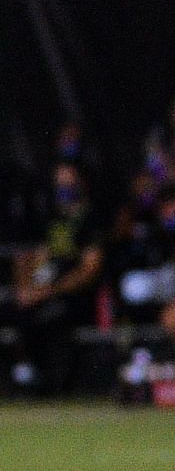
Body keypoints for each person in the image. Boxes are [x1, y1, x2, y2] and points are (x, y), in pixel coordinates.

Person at [4, 161, 105, 393]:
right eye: (60, 183)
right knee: (17, 309)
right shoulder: (54, 219)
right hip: (46, 291)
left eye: (69, 183)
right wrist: (28, 288)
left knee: (48, 318)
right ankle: (25, 374)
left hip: (75, 296)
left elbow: (89, 270)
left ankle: (53, 384)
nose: (64, 188)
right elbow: (40, 258)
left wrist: (47, 292)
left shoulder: (90, 219)